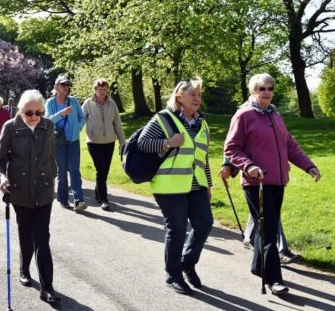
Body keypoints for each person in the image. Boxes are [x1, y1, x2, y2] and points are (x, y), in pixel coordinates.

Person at [224, 73, 321, 295]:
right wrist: (249, 166)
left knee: (265, 227)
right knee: (268, 231)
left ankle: (258, 266)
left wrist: (309, 166)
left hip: (278, 181)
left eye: (270, 88)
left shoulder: (275, 115)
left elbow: (290, 145)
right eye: (261, 88)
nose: (266, 92)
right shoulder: (244, 115)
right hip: (255, 182)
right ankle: (273, 279)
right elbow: (231, 149)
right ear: (253, 91)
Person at [137, 77, 213, 295]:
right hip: (169, 185)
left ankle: (187, 263)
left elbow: (203, 157)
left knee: (205, 224)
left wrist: (208, 184)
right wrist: (168, 142)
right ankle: (173, 275)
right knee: (177, 229)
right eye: (192, 95)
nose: (197, 99)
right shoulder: (163, 118)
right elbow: (142, 143)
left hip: (196, 183)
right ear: (179, 96)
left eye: (199, 95)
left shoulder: (202, 123)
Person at [0, 89, 61, 305]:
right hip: (20, 191)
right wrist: (2, 178)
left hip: (44, 191)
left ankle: (47, 287)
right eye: (28, 112)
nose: (33, 117)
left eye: (37, 112)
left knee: (42, 237)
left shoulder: (48, 126)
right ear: (20, 110)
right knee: (26, 235)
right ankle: (24, 267)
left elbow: (51, 157)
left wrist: (53, 176)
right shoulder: (10, 128)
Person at [219, 163, 302, 264]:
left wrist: (282, 161)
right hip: (254, 178)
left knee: (261, 211)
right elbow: (233, 149)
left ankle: (250, 237)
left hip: (274, 177)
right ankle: (281, 251)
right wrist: (227, 165)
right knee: (269, 212)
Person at [82, 78, 126, 211]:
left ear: (107, 89)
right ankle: (104, 199)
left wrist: (122, 142)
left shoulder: (112, 104)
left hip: (109, 142)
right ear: (95, 90)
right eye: (99, 89)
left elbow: (117, 124)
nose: (102, 91)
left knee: (104, 171)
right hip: (93, 142)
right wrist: (72, 134)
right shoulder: (88, 103)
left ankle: (98, 193)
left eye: (104, 89)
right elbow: (80, 120)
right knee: (101, 169)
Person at [45, 76, 87, 212]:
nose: (66, 87)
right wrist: (62, 113)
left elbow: (82, 117)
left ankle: (78, 200)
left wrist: (79, 127)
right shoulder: (50, 103)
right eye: (63, 84)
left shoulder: (73, 101)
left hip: (73, 141)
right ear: (56, 87)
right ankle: (63, 199)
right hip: (58, 143)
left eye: (67, 85)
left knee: (75, 171)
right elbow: (48, 121)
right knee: (62, 172)